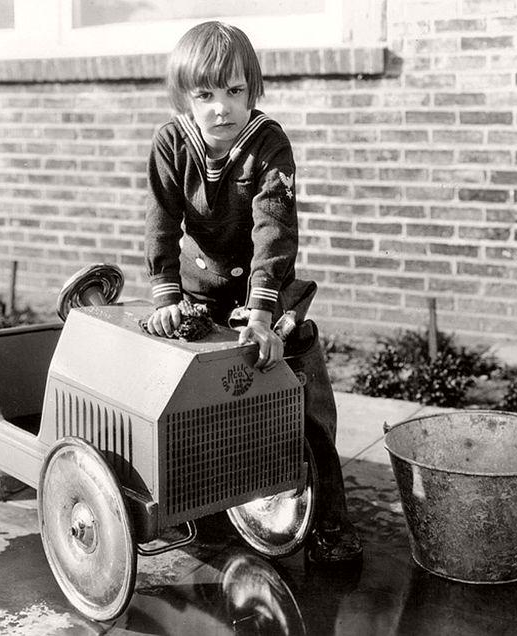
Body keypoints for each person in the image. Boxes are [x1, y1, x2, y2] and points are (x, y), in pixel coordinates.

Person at [143, 20, 362, 564]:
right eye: (206, 95)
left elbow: (274, 229)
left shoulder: (267, 143)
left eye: (235, 91)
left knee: (300, 388)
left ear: (252, 90)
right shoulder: (171, 144)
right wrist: (167, 296)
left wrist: (264, 313)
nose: (222, 108)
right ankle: (200, 501)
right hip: (201, 287)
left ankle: (331, 520)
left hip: (267, 289)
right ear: (184, 98)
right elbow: (161, 222)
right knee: (193, 392)